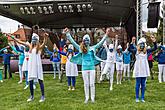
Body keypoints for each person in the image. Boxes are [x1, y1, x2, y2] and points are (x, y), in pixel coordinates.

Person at [63, 27, 111, 103]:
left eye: (87, 39)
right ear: (83, 41)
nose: (86, 41)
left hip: (92, 68)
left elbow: (100, 43)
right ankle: (86, 98)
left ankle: (92, 98)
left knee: (92, 84)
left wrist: (106, 35)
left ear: (89, 41)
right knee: (86, 84)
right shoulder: (80, 48)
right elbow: (73, 42)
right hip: (84, 69)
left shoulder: (93, 48)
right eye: (85, 40)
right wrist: (67, 34)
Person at [9, 25, 48, 102]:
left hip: (37, 66)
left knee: (40, 80)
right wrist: (12, 37)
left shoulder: (39, 48)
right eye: (32, 39)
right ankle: (31, 96)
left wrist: (45, 37)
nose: (33, 41)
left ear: (37, 41)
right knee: (30, 80)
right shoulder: (29, 46)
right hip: (31, 66)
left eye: (35, 40)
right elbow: (20, 41)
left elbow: (44, 43)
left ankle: (43, 96)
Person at [128, 37, 156, 103]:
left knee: (143, 84)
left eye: (143, 44)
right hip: (138, 69)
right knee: (138, 84)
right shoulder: (136, 51)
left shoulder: (147, 51)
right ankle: (137, 97)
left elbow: (155, 48)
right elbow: (129, 49)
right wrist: (132, 42)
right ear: (138, 45)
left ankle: (142, 98)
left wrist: (154, 42)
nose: (142, 46)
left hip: (144, 69)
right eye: (141, 44)